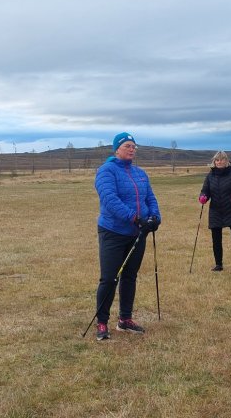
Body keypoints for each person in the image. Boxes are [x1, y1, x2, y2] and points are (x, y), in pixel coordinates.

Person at [93, 132, 162, 341]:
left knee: (130, 276)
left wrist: (154, 217)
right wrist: (134, 218)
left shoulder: (140, 173)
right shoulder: (106, 171)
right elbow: (110, 200)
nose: (132, 149)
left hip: (137, 233)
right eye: (128, 146)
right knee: (109, 278)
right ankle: (102, 322)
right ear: (117, 149)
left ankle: (125, 319)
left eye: (134, 146)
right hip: (113, 232)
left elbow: (149, 197)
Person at [198, 151, 231, 272]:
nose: (219, 162)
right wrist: (203, 197)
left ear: (227, 161)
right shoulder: (210, 175)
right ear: (214, 162)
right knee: (216, 239)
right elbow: (205, 190)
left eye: (222, 160)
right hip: (216, 210)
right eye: (217, 160)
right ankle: (218, 264)